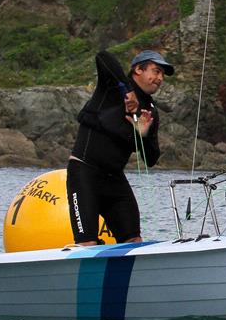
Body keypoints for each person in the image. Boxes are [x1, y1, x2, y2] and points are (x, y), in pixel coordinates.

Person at [66, 50, 174, 245]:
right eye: (156, 71)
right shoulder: (112, 87)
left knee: (133, 240)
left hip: (115, 180)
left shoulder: (149, 111)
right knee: (87, 243)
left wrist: (144, 134)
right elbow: (102, 56)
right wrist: (128, 91)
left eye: (162, 75)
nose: (159, 78)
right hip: (84, 174)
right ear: (137, 70)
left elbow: (151, 159)